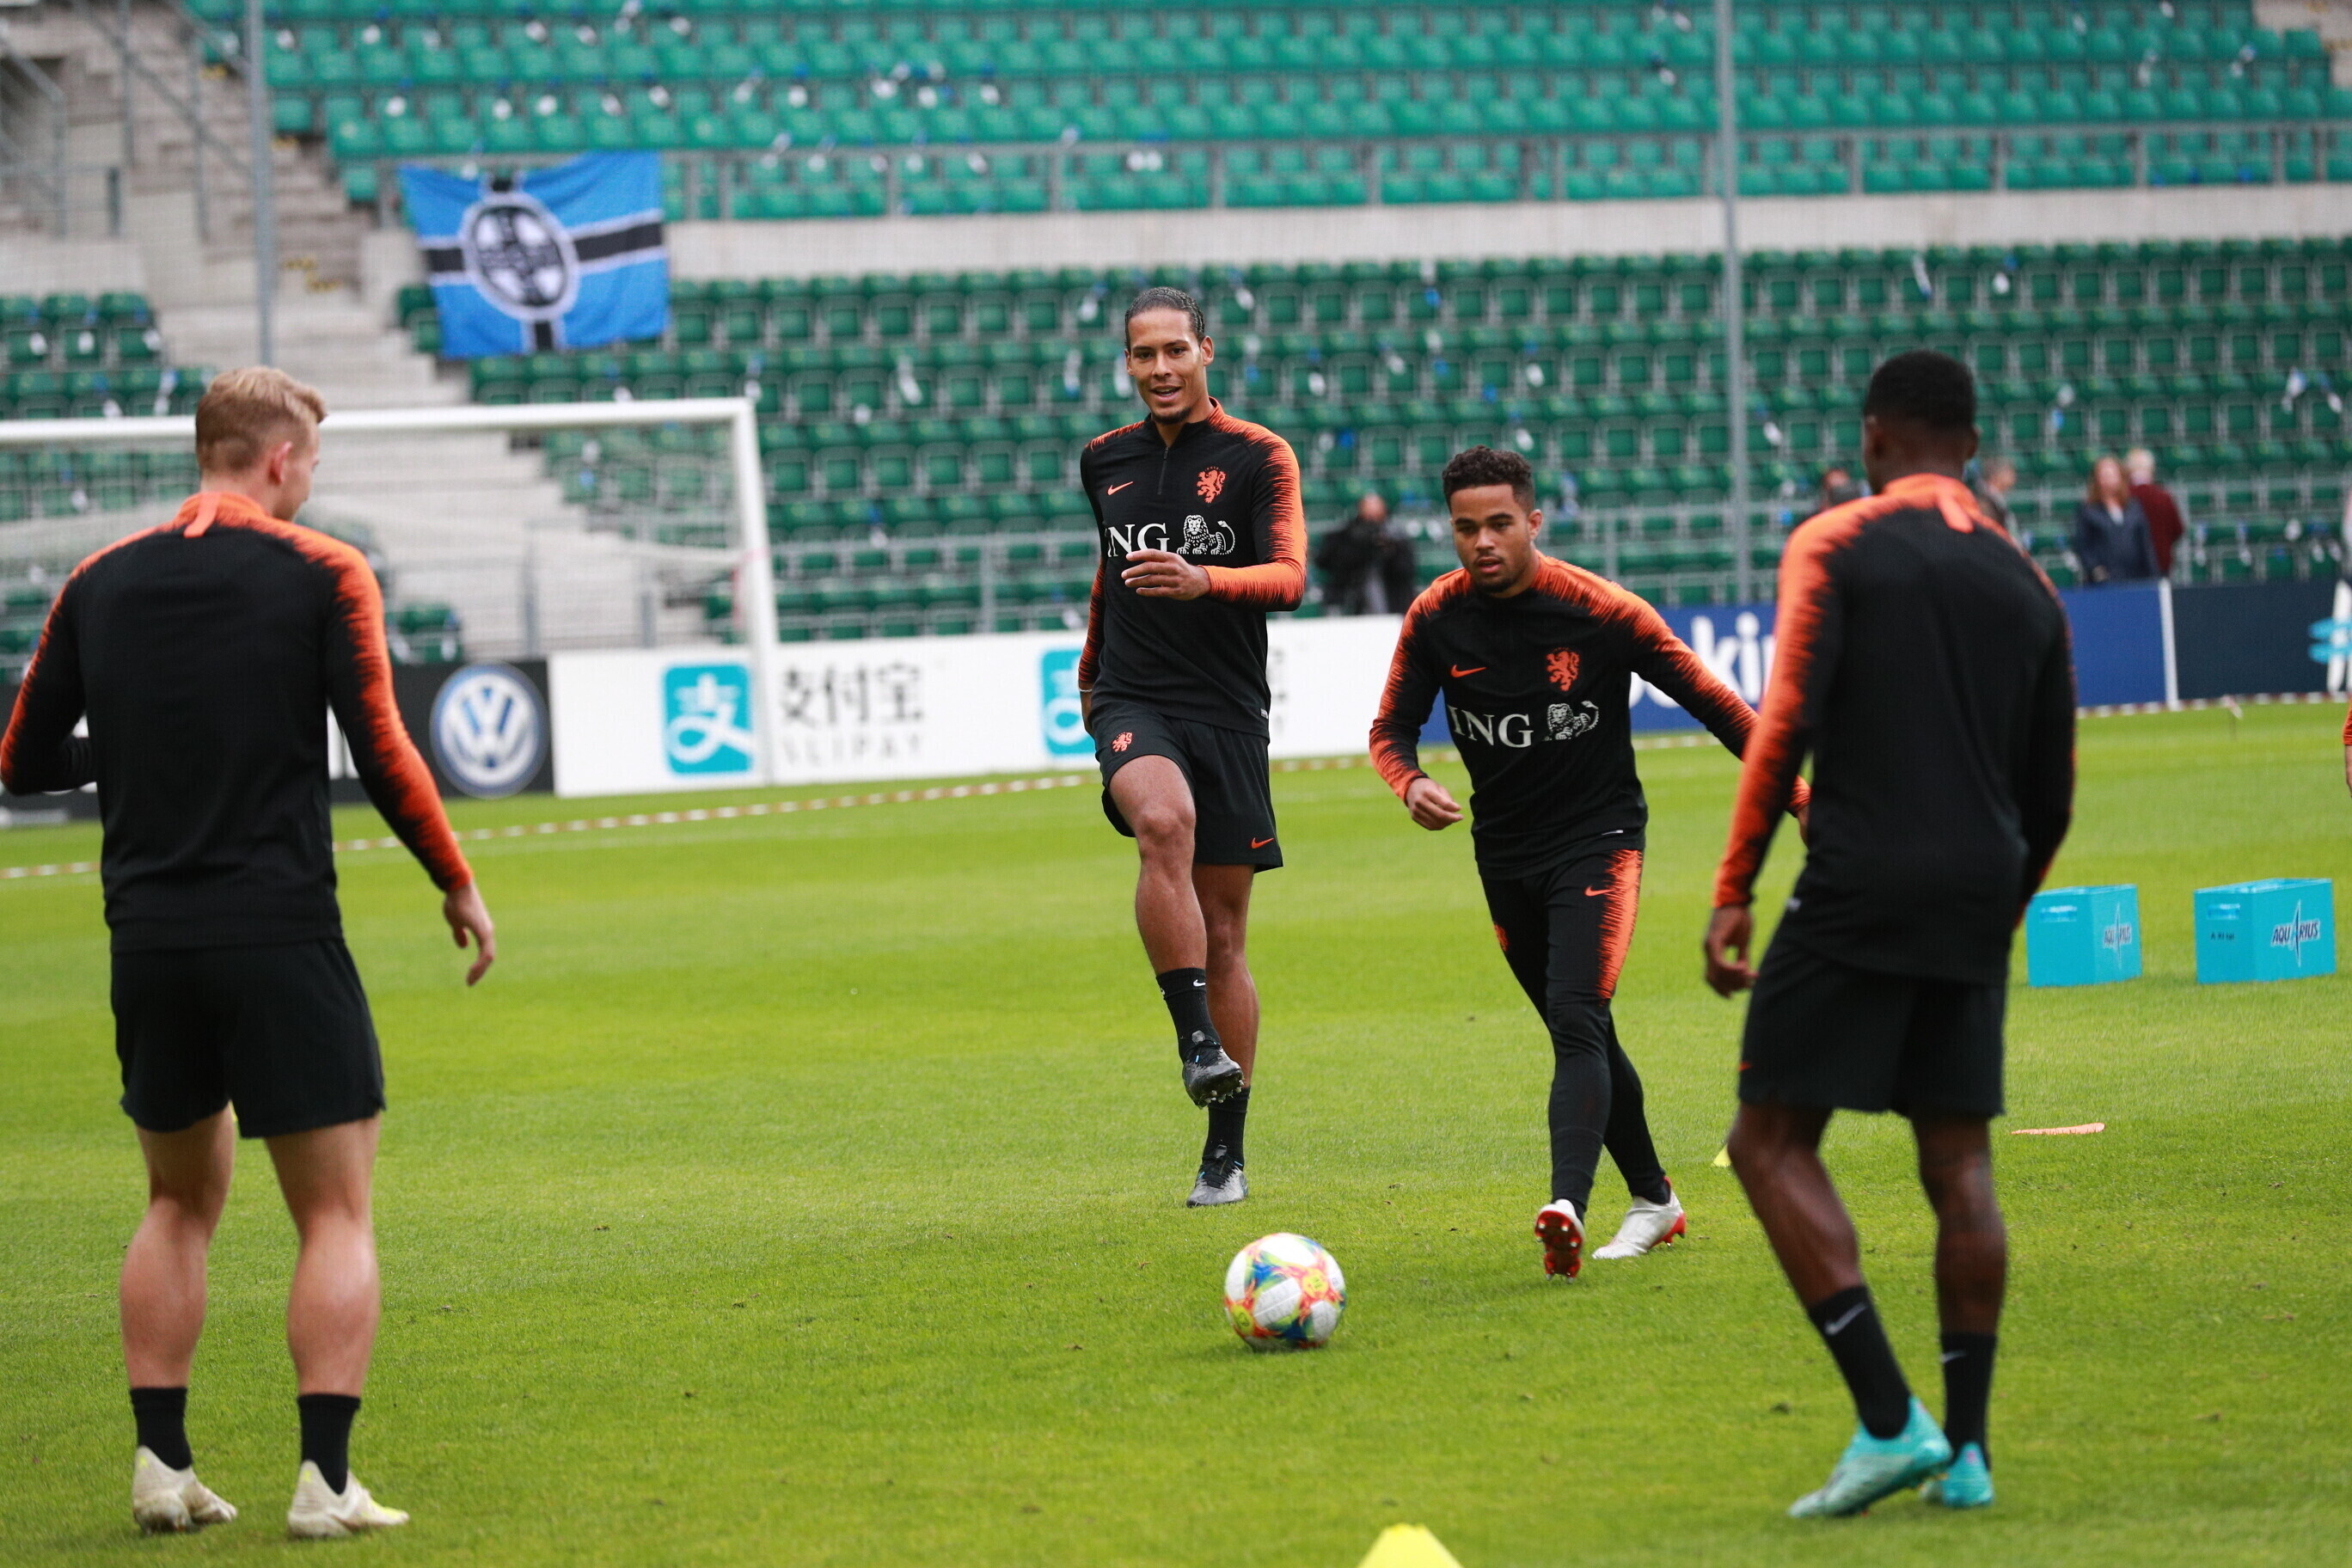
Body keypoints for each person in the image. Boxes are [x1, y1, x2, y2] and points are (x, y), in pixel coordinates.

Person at [0, 367, 496, 1539]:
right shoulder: (324, 570)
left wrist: (130, 752)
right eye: (310, 460)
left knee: (176, 1202)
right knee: (335, 1214)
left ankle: (161, 1468)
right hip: (278, 931)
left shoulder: (97, 580)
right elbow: (381, 747)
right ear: (279, 457)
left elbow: (20, 762)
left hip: (149, 943)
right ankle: (326, 1482)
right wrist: (455, 877)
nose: (311, 480)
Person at [1703, 351, 2075, 1518]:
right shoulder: (2028, 581)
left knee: (1768, 1142)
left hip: (1861, 877)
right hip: (1978, 889)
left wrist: (1735, 884)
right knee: (1958, 1162)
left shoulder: (1837, 541)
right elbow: (2053, 793)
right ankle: (1969, 1455)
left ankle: (1887, 1420)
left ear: (1873, 437)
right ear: (1974, 445)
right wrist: (1999, 906)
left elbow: (1785, 724)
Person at [1368, 446, 1810, 1278]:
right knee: (1586, 1030)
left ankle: (1566, 1205)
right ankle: (1655, 1201)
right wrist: (1410, 781)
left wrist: (1800, 798)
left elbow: (1720, 707)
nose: (1483, 542)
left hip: (1599, 841)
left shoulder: (1603, 611)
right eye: (1466, 528)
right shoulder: (1435, 617)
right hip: (1504, 854)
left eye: (1500, 524)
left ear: (1534, 521)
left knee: (1576, 1017)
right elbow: (1389, 730)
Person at [1076, 287, 1305, 1208]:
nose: (1161, 368)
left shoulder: (1260, 456)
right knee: (1162, 822)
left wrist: (1205, 580)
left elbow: (1290, 576)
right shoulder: (1104, 458)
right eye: (1144, 354)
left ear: (1207, 350)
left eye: (1176, 350)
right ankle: (1196, 1041)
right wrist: (1091, 681)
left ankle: (1225, 1151)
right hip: (1133, 698)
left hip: (1228, 710)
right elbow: (1108, 575)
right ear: (1127, 363)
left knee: (1228, 936)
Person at [1313, 490, 1418, 615]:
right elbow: (1328, 562)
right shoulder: (1346, 536)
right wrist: (1360, 543)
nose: (1373, 520)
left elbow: (1406, 571)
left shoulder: (1397, 537)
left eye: (1377, 514)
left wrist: (1390, 550)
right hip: (1352, 599)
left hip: (1391, 600)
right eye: (1369, 514)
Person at [2071, 455, 2159, 584]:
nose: (2108, 479)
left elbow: (2144, 542)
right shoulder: (2088, 510)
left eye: (2112, 474)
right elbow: (2083, 544)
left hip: (2135, 577)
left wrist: (2153, 574)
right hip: (2105, 581)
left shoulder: (2133, 507)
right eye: (2104, 475)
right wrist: (2095, 569)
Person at [2125, 447, 2184, 577]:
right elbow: (2178, 529)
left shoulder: (2124, 498)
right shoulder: (2164, 497)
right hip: (2161, 561)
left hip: (2130, 566)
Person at [1969, 455, 2017, 532]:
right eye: (2010, 472)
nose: (2014, 478)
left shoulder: (1997, 496)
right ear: (1998, 474)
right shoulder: (1983, 497)